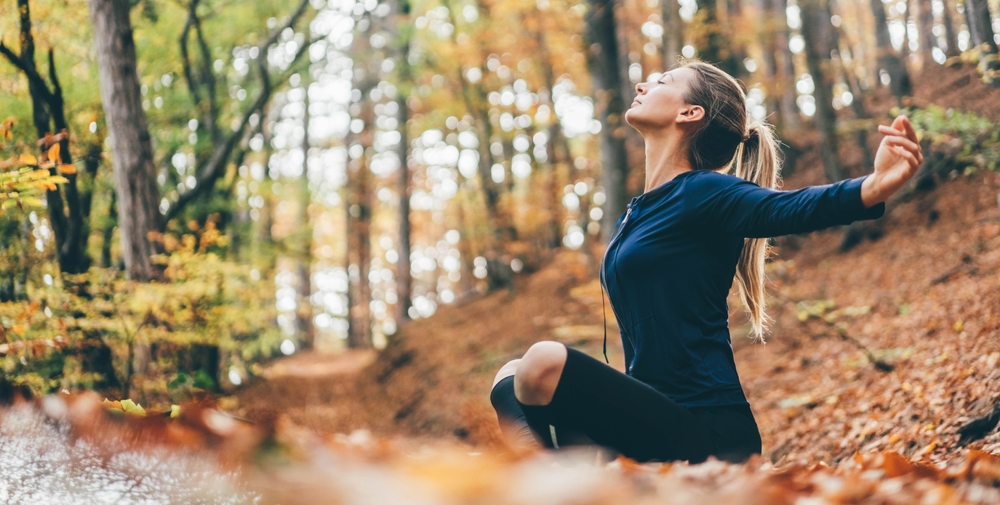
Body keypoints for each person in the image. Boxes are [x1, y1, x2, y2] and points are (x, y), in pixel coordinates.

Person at [488, 60, 923, 464]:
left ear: (689, 113)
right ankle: (555, 477)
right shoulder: (636, 213)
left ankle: (548, 479)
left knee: (543, 361)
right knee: (510, 375)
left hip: (708, 430)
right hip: (650, 418)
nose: (643, 84)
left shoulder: (703, 192)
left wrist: (875, 185)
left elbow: (789, 208)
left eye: (662, 82)